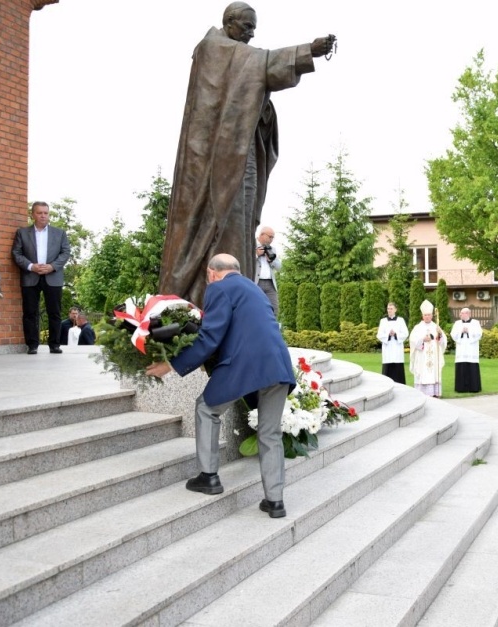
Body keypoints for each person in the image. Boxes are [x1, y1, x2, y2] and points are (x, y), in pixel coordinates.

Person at [158, 2, 335, 306]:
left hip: (242, 152)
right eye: (247, 26)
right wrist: (309, 50)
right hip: (215, 160)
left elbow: (259, 70)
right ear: (228, 22)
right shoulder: (213, 48)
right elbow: (263, 64)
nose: (252, 34)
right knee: (217, 221)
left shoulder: (235, 53)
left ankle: (236, 294)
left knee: (241, 219)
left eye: (254, 28)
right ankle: (203, 298)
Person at [145, 254, 295, 519]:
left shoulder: (219, 288)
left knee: (206, 408)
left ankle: (209, 476)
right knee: (270, 433)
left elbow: (210, 336)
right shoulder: (256, 289)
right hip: (280, 366)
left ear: (211, 272)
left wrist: (171, 364)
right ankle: (276, 501)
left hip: (246, 364)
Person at [12, 201, 71, 355]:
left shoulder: (60, 233)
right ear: (33, 214)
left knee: (55, 312)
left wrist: (52, 266)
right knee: (30, 312)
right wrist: (31, 266)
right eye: (40, 213)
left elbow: (65, 253)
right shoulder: (22, 233)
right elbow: (16, 253)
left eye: (46, 213)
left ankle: (55, 345)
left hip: (53, 276)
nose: (43, 216)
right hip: (30, 276)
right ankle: (32, 345)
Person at [409, 300, 447, 398]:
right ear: (422, 316)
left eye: (429, 315)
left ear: (431, 316)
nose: (427, 317)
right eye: (425, 315)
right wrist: (423, 339)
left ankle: (435, 393)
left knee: (433, 373)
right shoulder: (417, 328)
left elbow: (443, 342)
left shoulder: (436, 327)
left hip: (434, 356)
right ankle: (422, 392)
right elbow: (412, 340)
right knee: (423, 373)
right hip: (422, 356)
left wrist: (440, 335)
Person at [451, 307, 482, 393]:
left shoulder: (475, 323)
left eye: (462, 313)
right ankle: (461, 388)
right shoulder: (457, 323)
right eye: (460, 313)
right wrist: (461, 332)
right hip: (461, 351)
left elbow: (479, 334)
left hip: (471, 350)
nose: (460, 315)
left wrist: (469, 332)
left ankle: (474, 388)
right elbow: (453, 334)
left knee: (472, 368)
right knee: (461, 367)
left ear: (468, 314)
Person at [253, 225, 282, 317]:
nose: (271, 239)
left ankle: (270, 330)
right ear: (262, 234)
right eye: (270, 236)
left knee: (274, 309)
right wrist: (256, 254)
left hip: (270, 284)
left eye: (273, 237)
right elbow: (244, 261)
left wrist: (271, 260)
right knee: (255, 308)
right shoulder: (251, 244)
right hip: (256, 282)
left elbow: (279, 267)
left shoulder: (272, 249)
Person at [376, 302, 408, 385]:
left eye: (391, 309)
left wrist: (396, 334)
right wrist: (388, 335)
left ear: (395, 310)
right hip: (388, 350)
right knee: (387, 369)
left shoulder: (401, 320)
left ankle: (401, 386)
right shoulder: (383, 321)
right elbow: (379, 335)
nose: (389, 310)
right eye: (388, 309)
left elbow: (405, 333)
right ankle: (386, 386)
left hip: (397, 349)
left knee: (398, 370)